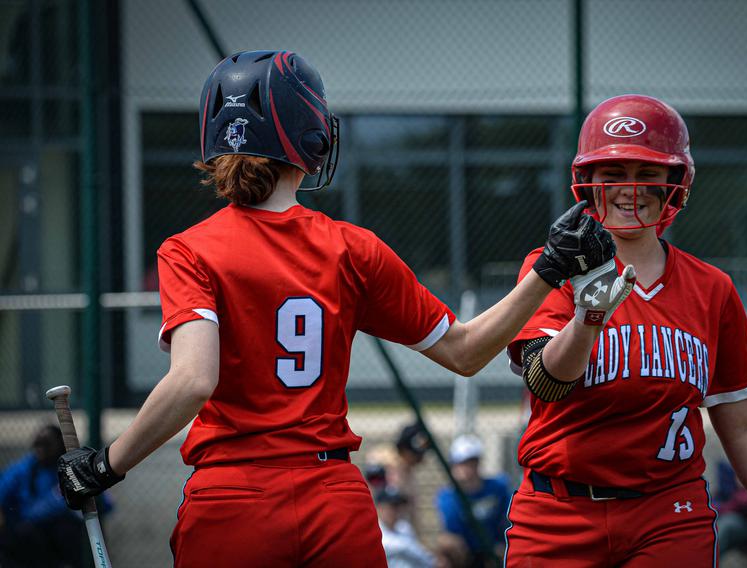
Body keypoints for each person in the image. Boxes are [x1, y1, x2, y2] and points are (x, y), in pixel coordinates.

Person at [54, 50, 618, 567]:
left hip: (232, 499)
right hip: (333, 499)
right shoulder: (351, 247)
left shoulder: (189, 249)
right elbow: (466, 352)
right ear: (309, 139)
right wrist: (547, 270)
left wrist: (106, 465)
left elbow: (193, 381)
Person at [503, 94, 747, 568]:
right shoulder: (550, 267)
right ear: (589, 181)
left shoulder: (711, 288)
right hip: (559, 510)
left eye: (647, 172)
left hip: (668, 511)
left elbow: (740, 425)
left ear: (674, 182)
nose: (629, 189)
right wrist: (588, 321)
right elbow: (545, 382)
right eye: (613, 173)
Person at [0, 425, 85, 568]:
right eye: (37, 445)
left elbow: (105, 504)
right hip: (27, 530)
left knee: (69, 531)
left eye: (47, 445)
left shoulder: (70, 467)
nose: (41, 449)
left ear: (60, 446)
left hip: (61, 531)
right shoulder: (24, 468)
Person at [436, 435, 512, 566]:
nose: (467, 468)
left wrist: (502, 545)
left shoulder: (497, 487)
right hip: (465, 552)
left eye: (472, 462)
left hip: (495, 548)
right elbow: (453, 531)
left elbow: (508, 519)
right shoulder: (447, 496)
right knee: (445, 546)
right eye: (462, 463)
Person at [375, 486, 436, 568]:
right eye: (391, 506)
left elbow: (422, 556)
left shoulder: (404, 527)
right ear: (379, 508)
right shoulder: (375, 530)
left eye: (398, 506)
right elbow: (399, 547)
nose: (396, 510)